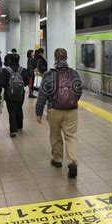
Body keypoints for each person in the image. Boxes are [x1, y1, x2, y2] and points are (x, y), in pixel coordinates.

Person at [36, 48, 82, 178]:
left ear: (55, 58)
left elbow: (42, 95)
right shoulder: (74, 74)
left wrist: (38, 112)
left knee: (55, 135)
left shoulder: (49, 75)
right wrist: (72, 101)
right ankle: (72, 161)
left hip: (54, 110)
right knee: (71, 136)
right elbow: (79, 91)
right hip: (71, 111)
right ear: (66, 57)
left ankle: (57, 160)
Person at [1, 53, 29, 137]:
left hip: (9, 94)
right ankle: (20, 125)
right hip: (20, 93)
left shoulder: (6, 70)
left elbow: (3, 83)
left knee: (12, 110)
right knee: (19, 108)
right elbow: (26, 82)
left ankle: (13, 130)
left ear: (10, 60)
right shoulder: (23, 70)